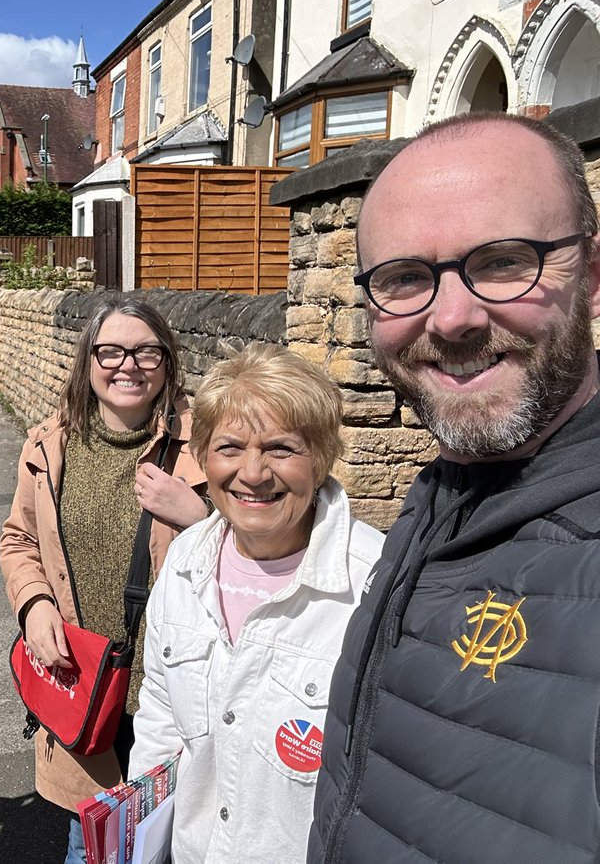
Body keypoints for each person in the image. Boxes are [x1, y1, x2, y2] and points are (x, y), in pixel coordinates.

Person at [309, 112, 600, 862]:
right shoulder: (440, 497)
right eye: (405, 277)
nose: (453, 318)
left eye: (505, 261)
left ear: (592, 280)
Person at [128, 343, 383, 863]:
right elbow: (159, 719)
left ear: (322, 458)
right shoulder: (183, 562)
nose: (253, 472)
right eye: (229, 447)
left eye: (282, 449)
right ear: (202, 457)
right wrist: (138, 841)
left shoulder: (375, 583)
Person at [0, 294, 209, 864]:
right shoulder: (50, 444)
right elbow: (18, 539)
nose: (128, 366)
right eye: (110, 350)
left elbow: (267, 544)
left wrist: (200, 517)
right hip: (85, 684)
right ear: (88, 360)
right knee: (91, 844)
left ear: (167, 363)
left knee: (168, 844)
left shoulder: (207, 445)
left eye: (146, 352)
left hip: (169, 696)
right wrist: (34, 606)